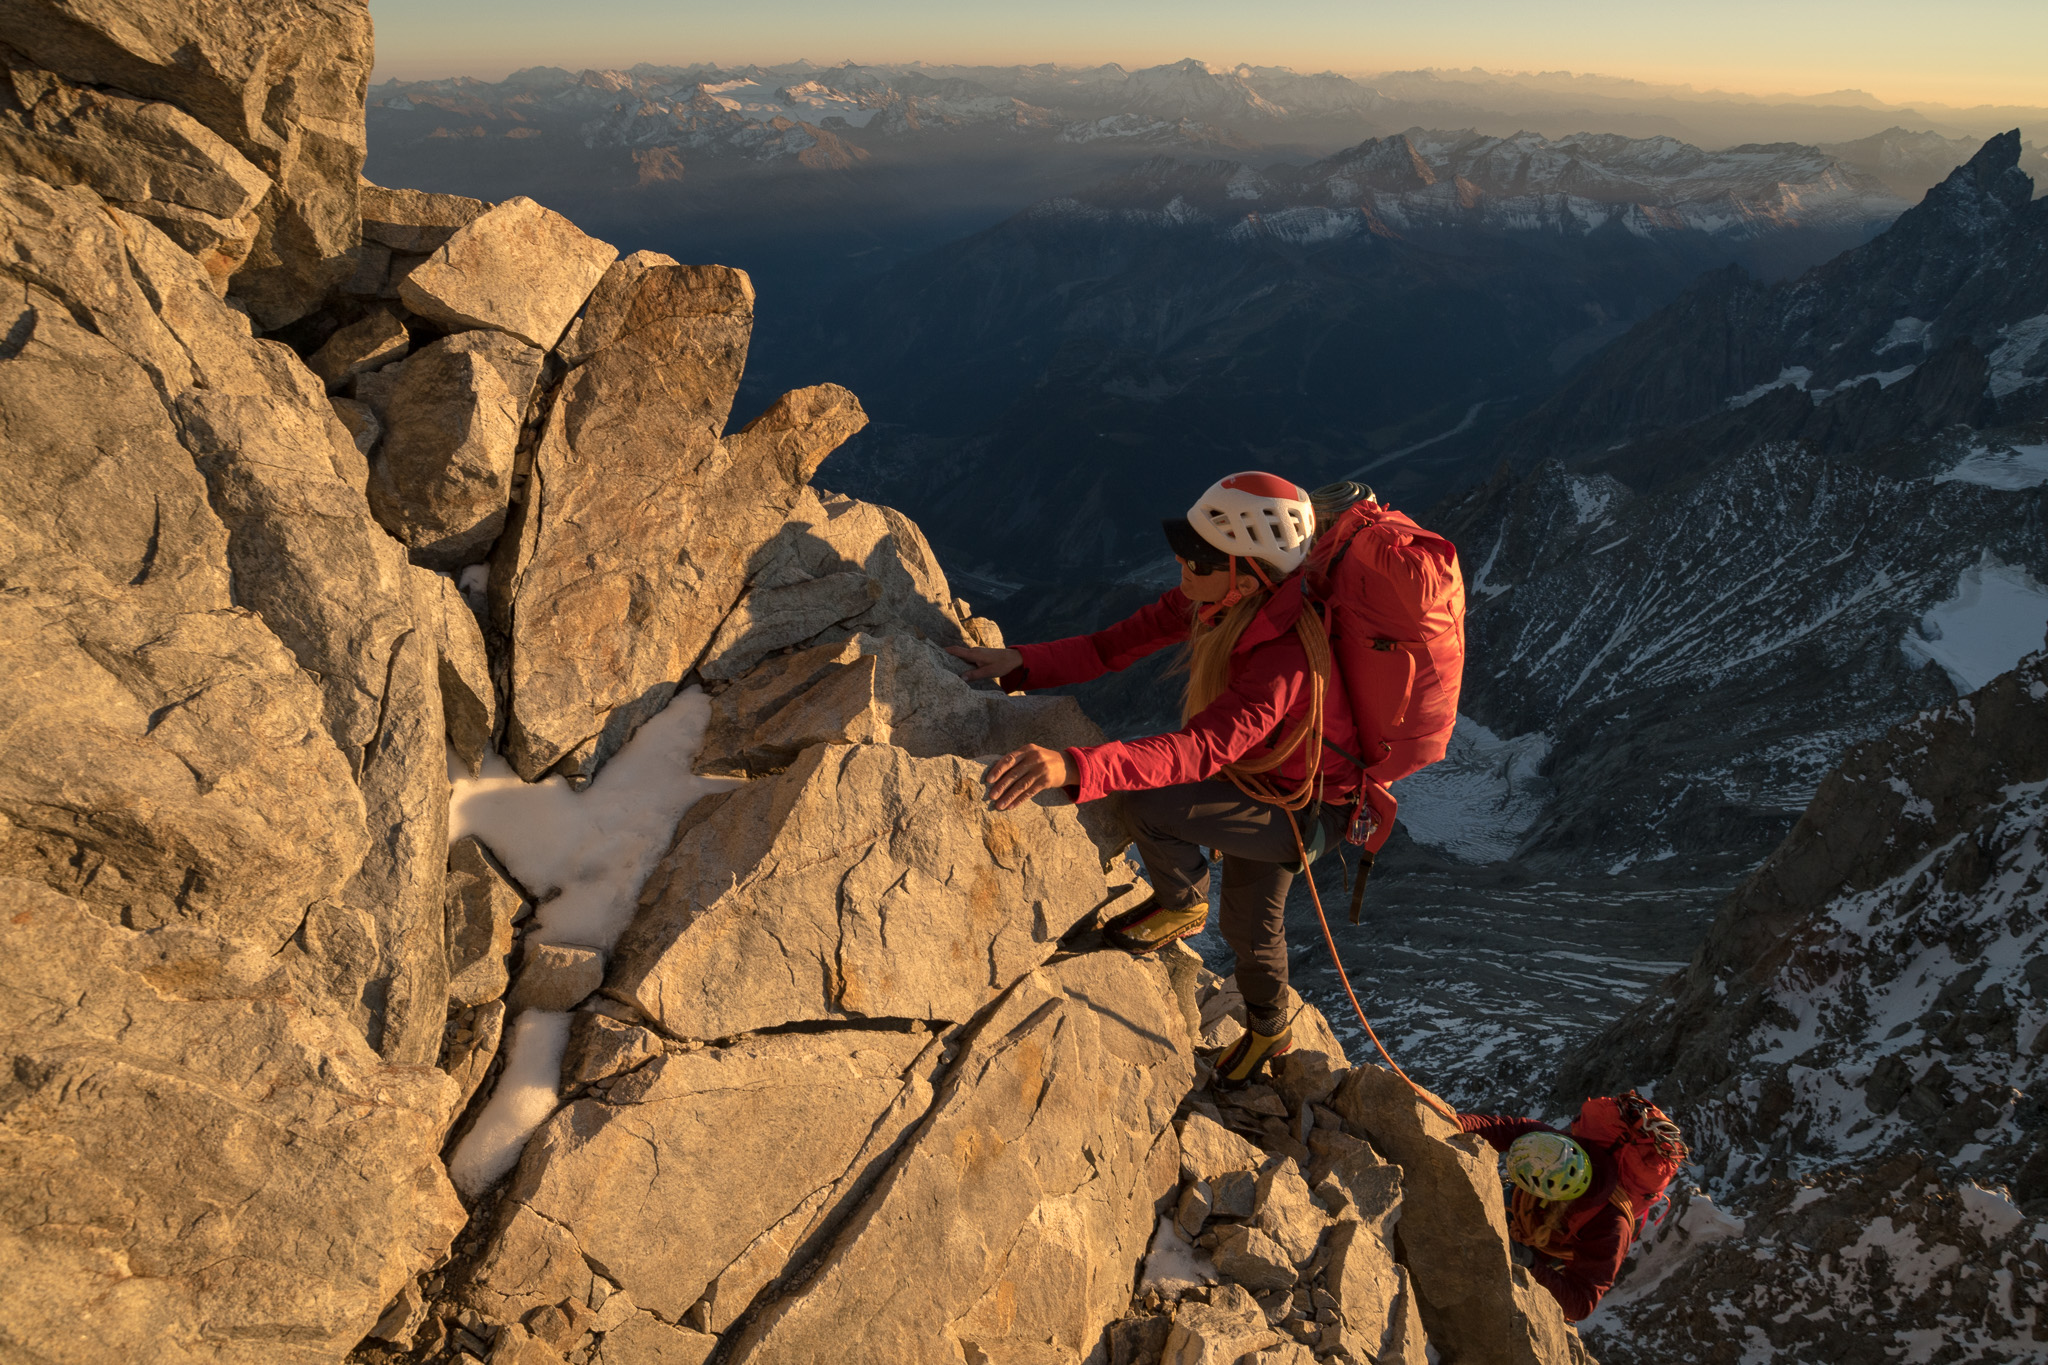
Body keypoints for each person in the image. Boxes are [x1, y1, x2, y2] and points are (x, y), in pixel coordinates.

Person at [947, 472, 1363, 1089]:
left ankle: (1260, 1016)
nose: (1180, 563)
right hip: (1262, 778)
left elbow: (1201, 751)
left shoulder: (1286, 661)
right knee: (1234, 905)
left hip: (1305, 808)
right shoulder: (1216, 599)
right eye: (1186, 546)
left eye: (1198, 557)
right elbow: (1111, 647)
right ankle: (1192, 915)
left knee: (1231, 903)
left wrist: (1077, 766)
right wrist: (1022, 663)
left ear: (1247, 579)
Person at [1456, 1093, 1688, 1321]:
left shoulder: (1610, 1226)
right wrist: (1457, 1122)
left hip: (1541, 1255)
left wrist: (1528, 1262)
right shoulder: (1557, 1148)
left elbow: (1581, 1303)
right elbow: (1510, 1128)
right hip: (1518, 1212)